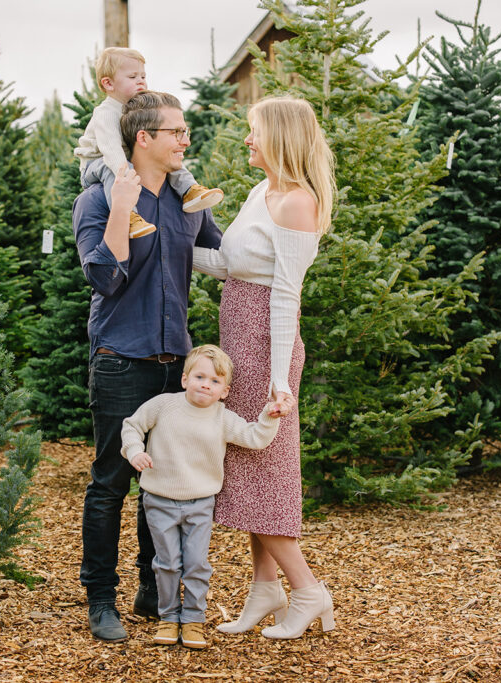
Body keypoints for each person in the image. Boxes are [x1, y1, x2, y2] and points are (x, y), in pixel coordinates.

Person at [74, 90, 224, 643]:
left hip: (175, 368)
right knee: (112, 483)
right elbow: (104, 280)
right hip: (121, 362)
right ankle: (101, 599)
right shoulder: (96, 199)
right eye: (176, 132)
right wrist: (120, 211)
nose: (186, 140)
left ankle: (149, 587)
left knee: (159, 482)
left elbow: (223, 258)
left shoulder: (190, 202)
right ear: (144, 139)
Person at [192, 95, 337, 640]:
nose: (247, 140)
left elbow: (284, 295)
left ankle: (307, 591)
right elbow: (230, 265)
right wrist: (169, 247)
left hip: (267, 344)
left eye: (254, 131)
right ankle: (264, 589)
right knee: (248, 470)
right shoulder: (262, 191)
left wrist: (279, 381)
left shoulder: (297, 203)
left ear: (279, 136)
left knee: (265, 470)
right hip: (239, 339)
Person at [120, 344, 282, 649]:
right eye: (199, 377)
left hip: (200, 503)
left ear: (224, 391)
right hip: (159, 500)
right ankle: (169, 619)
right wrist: (135, 451)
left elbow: (255, 437)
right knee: (167, 562)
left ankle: (193, 620)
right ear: (185, 380)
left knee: (195, 563)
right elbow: (132, 425)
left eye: (215, 381)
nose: (205, 384)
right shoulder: (164, 405)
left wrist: (269, 415)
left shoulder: (222, 417)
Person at [75, 47, 223, 239]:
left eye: (143, 76)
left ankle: (189, 190)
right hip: (97, 162)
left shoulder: (136, 108)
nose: (141, 81)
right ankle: (129, 216)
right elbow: (111, 151)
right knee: (114, 171)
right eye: (132, 77)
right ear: (108, 83)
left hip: (122, 157)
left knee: (168, 154)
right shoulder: (106, 113)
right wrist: (128, 175)